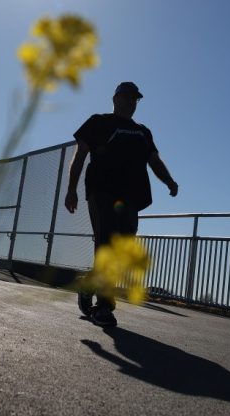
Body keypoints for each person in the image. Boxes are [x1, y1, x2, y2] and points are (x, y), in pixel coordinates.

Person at [64, 81, 178, 328]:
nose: (130, 102)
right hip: (102, 191)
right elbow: (80, 154)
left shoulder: (143, 131)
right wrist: (71, 189)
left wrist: (169, 180)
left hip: (130, 197)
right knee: (105, 244)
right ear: (115, 99)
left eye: (135, 99)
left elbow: (154, 160)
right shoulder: (98, 121)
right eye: (126, 97)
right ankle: (104, 306)